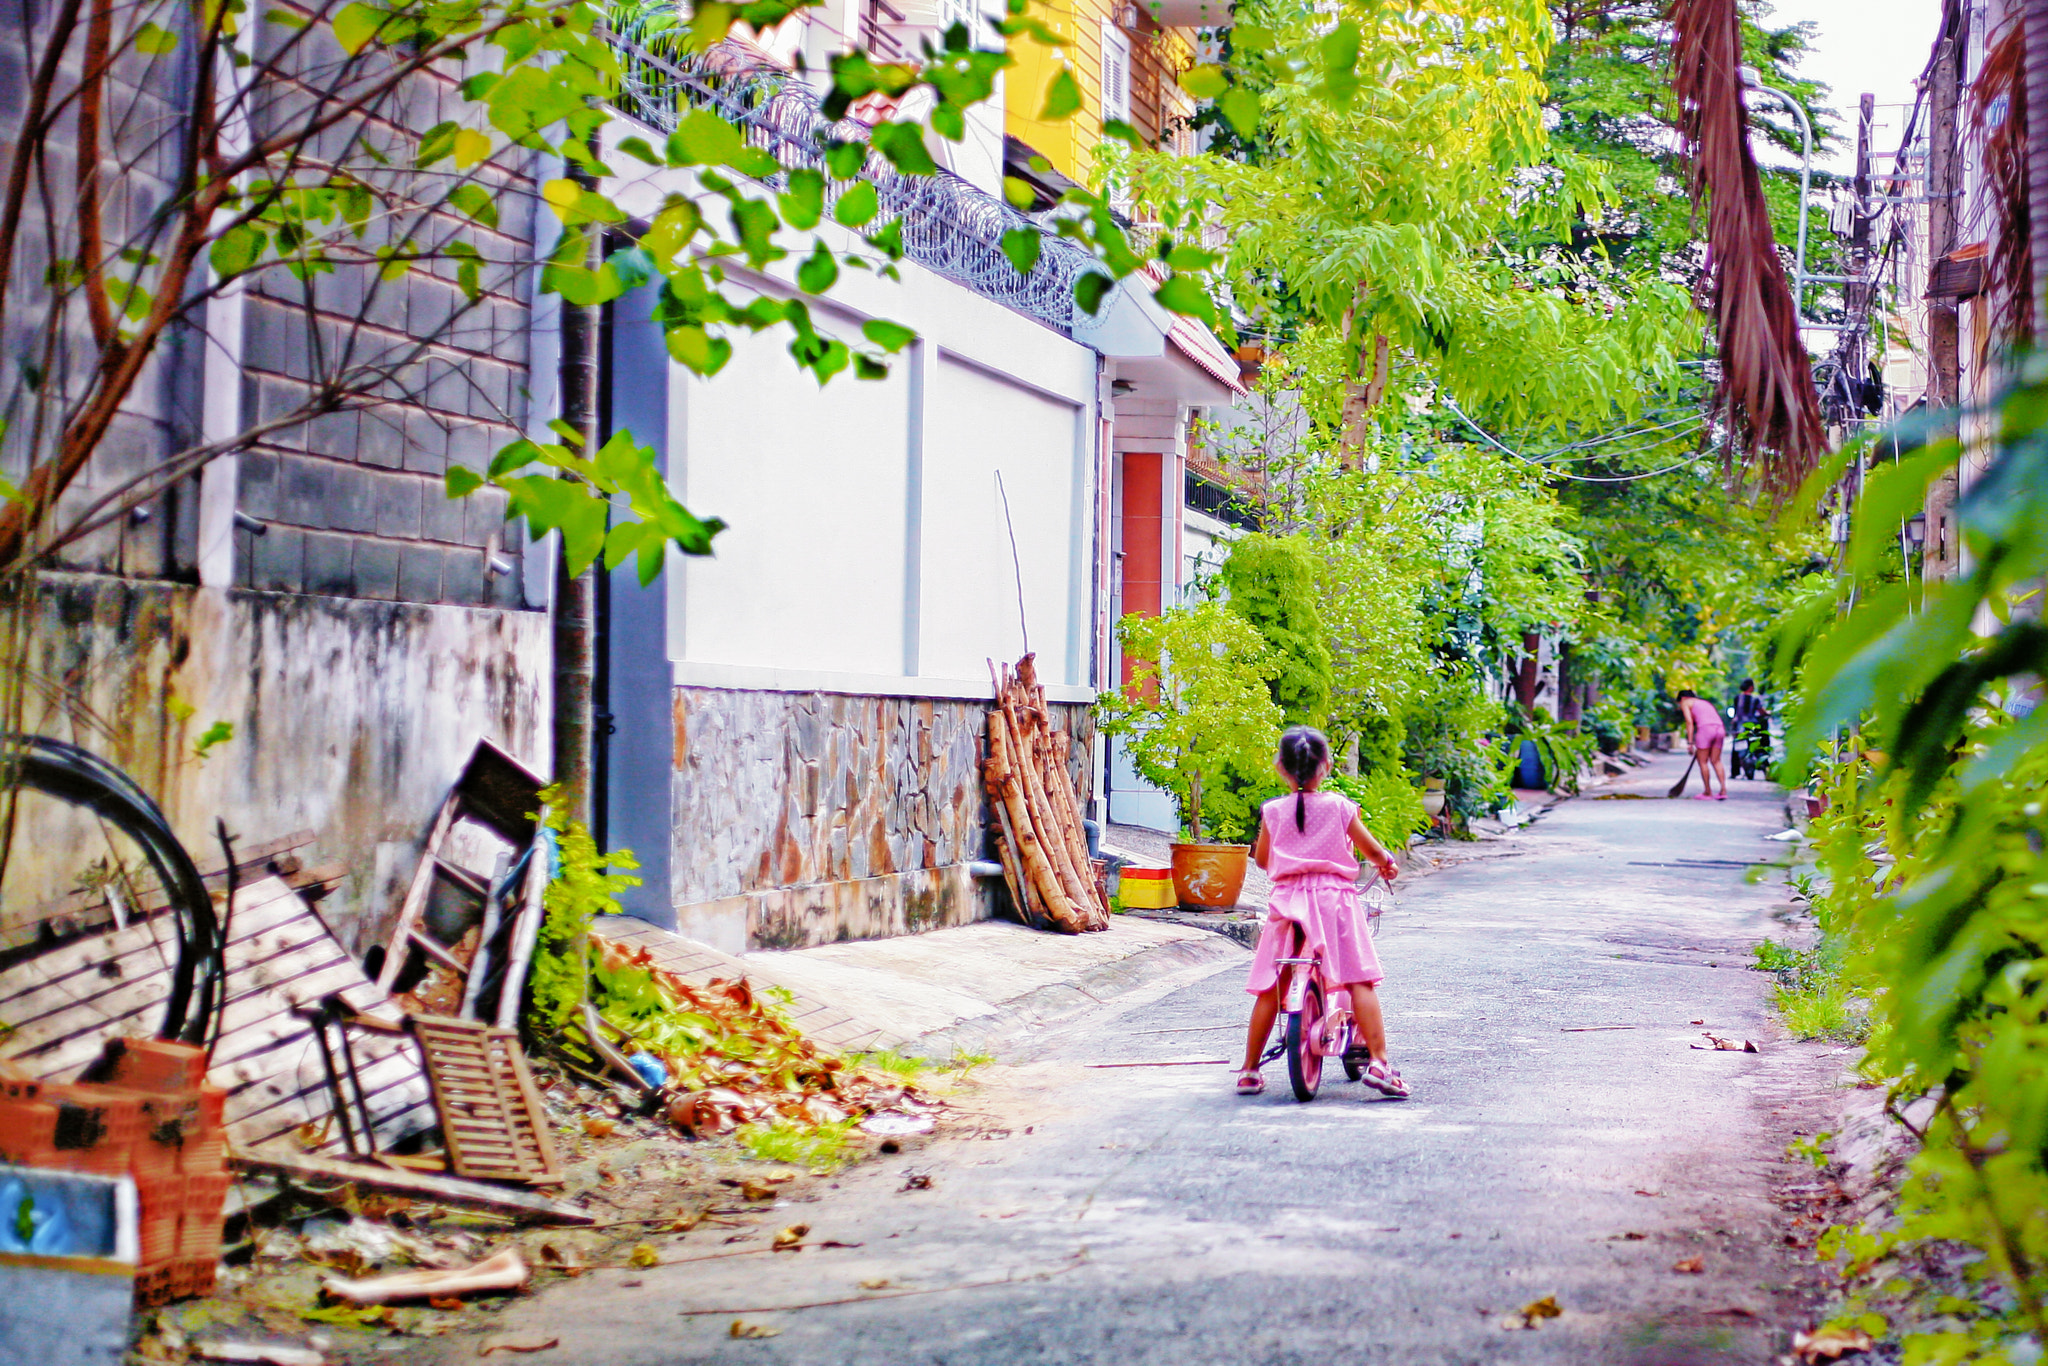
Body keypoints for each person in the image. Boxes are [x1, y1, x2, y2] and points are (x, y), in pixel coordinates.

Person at [1236, 726, 1407, 1099]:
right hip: (1334, 901)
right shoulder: (1340, 807)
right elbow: (1373, 851)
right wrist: (1387, 864)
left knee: (1272, 984)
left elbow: (1263, 859)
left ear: (1280, 767)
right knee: (1359, 978)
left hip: (1288, 901)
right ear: (1326, 765)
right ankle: (1379, 1063)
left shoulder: (1273, 812)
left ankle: (1249, 1070)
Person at [1675, 688, 1728, 800]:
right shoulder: (1704, 703)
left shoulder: (1686, 702)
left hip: (1706, 730)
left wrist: (1690, 743)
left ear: (1682, 698)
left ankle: (1707, 792)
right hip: (1720, 729)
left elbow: (1689, 722)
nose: (1680, 706)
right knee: (1716, 760)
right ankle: (1723, 790)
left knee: (1703, 762)